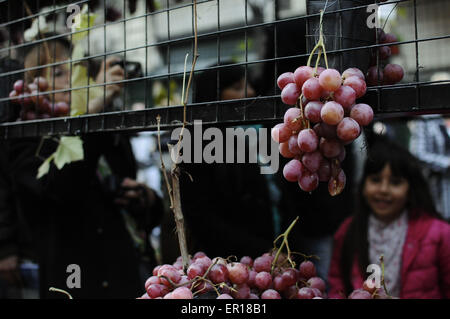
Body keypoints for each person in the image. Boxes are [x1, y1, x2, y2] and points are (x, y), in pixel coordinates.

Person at [0, 33, 163, 298]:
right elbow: (61, 190)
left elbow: (126, 187)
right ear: (33, 83)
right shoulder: (27, 136)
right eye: (58, 72)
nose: (71, 79)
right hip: (73, 277)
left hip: (123, 271)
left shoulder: (104, 124)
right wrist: (92, 113)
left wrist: (145, 199)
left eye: (75, 69)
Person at [160, 62, 275, 262]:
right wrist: (260, 249)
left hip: (260, 256)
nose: (249, 92)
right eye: (237, 88)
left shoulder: (239, 135)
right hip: (222, 264)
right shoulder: (195, 143)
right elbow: (203, 218)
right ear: (214, 95)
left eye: (248, 85)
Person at [327, 134, 450, 299]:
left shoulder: (439, 234)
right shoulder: (348, 231)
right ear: (363, 185)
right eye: (376, 180)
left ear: (410, 189)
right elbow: (337, 287)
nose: (384, 190)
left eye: (395, 182)